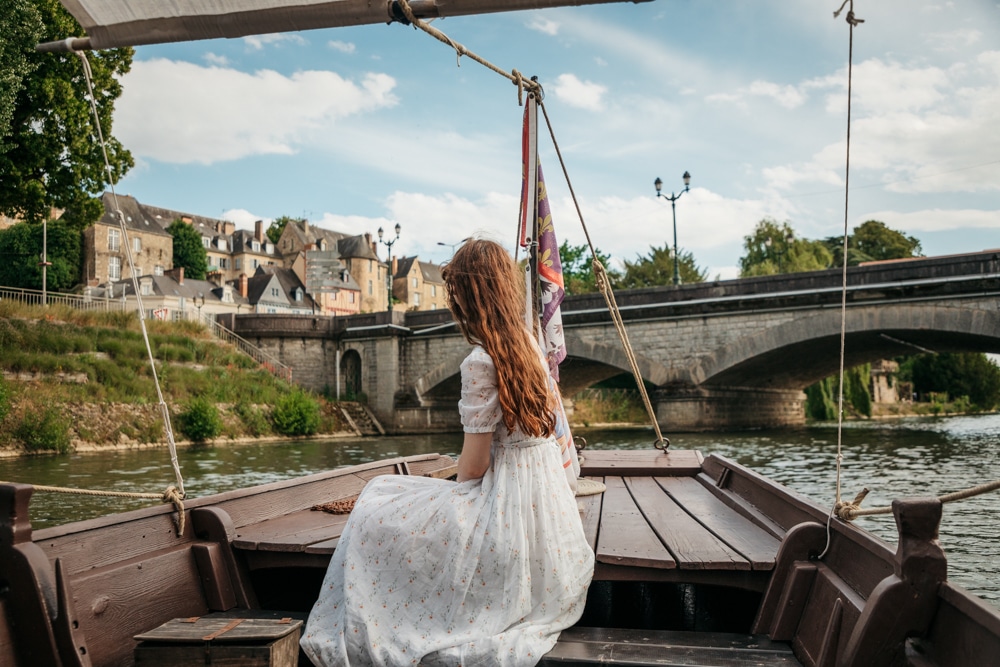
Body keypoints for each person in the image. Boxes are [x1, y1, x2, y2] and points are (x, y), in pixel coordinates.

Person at [301, 238, 595, 666]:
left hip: (507, 510)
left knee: (380, 498)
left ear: (469, 298)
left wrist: (442, 493)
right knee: (397, 496)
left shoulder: (481, 362)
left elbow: (473, 470)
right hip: (549, 513)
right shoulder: (533, 346)